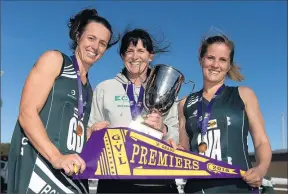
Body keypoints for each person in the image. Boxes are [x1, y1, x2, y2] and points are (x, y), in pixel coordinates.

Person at [7, 8, 118, 194]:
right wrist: (56, 157)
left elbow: (68, 131)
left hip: (69, 176)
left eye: (103, 43)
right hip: (40, 172)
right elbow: (27, 113)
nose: (95, 47)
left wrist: (90, 133)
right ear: (78, 35)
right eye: (91, 38)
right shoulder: (55, 60)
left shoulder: (89, 88)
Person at [87, 28, 179, 193]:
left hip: (158, 180)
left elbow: (176, 134)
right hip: (114, 179)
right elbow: (91, 129)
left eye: (141, 51)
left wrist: (163, 129)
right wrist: (94, 133)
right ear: (123, 57)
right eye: (129, 51)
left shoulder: (166, 90)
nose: (135, 56)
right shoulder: (105, 88)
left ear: (150, 56)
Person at [178, 34, 272, 193]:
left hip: (239, 187)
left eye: (222, 60)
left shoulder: (244, 94)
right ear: (201, 60)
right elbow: (184, 150)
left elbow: (261, 141)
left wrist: (261, 169)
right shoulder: (184, 103)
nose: (215, 64)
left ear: (229, 66)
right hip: (196, 189)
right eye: (210, 58)